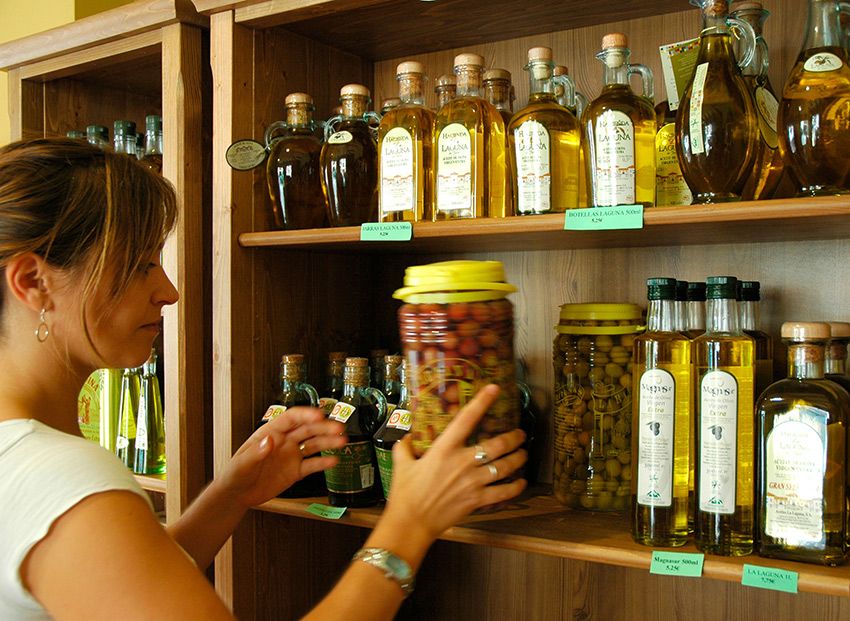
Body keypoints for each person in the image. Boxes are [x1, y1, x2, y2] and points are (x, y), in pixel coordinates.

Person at [0, 138, 528, 620]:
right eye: (140, 264)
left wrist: (229, 494)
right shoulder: (58, 476)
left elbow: (116, 590)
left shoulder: (25, 459)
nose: (168, 291)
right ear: (33, 281)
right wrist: (409, 524)